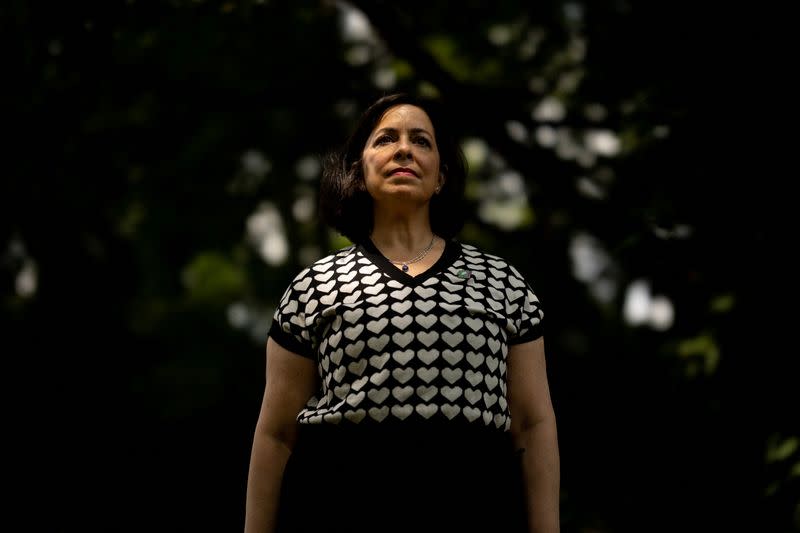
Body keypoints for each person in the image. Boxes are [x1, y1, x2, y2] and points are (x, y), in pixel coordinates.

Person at [244, 92, 560, 533]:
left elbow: (533, 424)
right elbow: (275, 434)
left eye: (422, 141)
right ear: (358, 170)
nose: (404, 149)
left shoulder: (504, 284)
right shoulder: (313, 288)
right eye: (386, 139)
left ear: (442, 176)